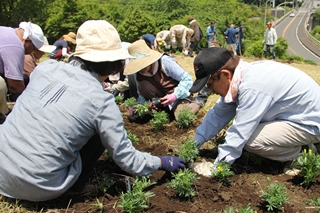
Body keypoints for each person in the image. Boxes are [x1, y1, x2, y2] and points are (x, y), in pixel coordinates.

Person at [0, 20, 185, 202]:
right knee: (98, 135)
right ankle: (74, 189)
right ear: (114, 62)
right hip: (39, 186)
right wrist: (161, 162)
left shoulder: (45, 68)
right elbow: (127, 159)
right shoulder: (102, 102)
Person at [189, 47, 320, 177]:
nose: (210, 91)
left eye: (210, 84)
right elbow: (217, 115)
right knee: (246, 131)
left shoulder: (252, 87)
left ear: (225, 75)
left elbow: (241, 132)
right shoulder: (240, 77)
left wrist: (217, 168)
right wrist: (192, 146)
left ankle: (301, 154)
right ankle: (296, 144)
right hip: (293, 116)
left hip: (310, 123)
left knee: (249, 140)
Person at [123, 39, 202, 120]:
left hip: (178, 96)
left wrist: (174, 95)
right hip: (161, 100)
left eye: (142, 64)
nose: (141, 68)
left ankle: (200, 99)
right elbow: (141, 95)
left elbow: (187, 79)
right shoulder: (137, 74)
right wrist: (147, 104)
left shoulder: (164, 61)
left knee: (182, 117)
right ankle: (164, 109)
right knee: (143, 86)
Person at [0, 21, 44, 119]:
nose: (32, 52)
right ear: (28, 41)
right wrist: (28, 109)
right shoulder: (15, 45)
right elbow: (15, 85)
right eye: (33, 49)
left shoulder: (8, 32)